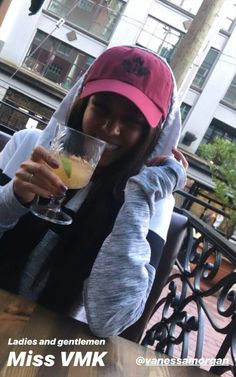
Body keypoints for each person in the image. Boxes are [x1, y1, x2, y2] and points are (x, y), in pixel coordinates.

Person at [0, 45, 188, 337]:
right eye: (101, 107)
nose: (110, 129)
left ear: (152, 135)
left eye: (132, 121)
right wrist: (12, 198)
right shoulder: (27, 146)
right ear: (80, 103)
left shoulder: (152, 201)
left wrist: (139, 196)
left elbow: (109, 320)